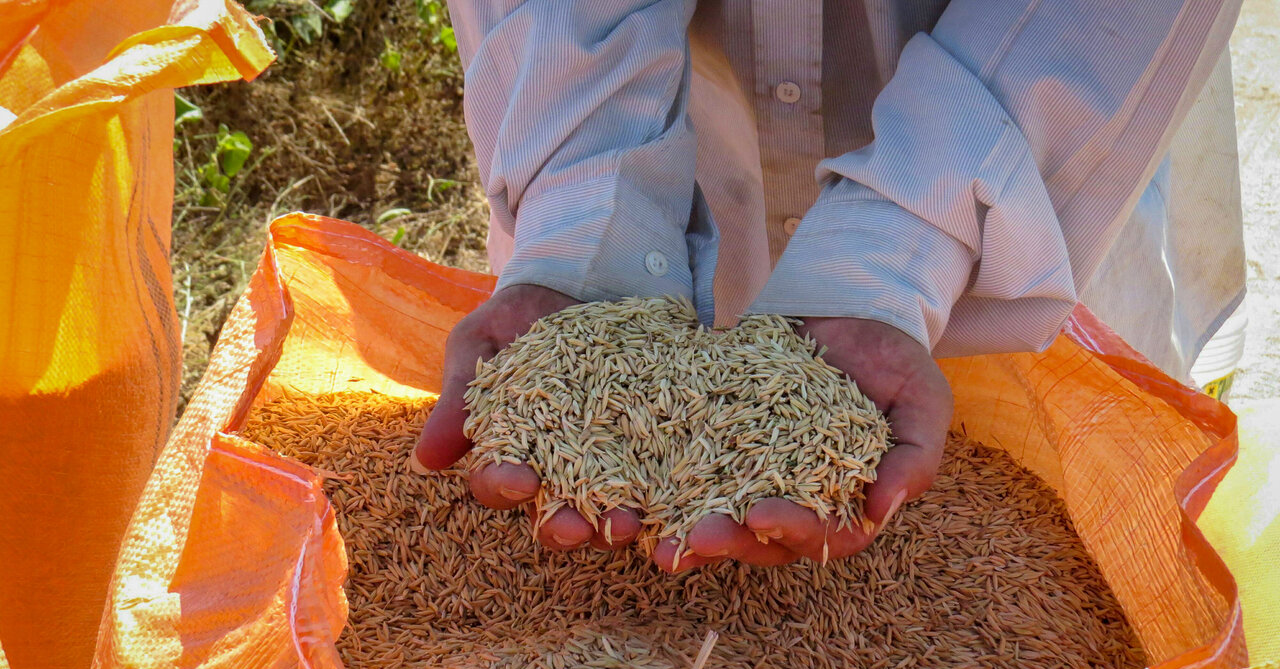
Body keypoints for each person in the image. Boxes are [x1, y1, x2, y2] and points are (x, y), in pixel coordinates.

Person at [415, 0, 1247, 571]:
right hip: (707, 104)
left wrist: (907, 246)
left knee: (1076, 500)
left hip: (1058, 116)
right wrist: (591, 205)